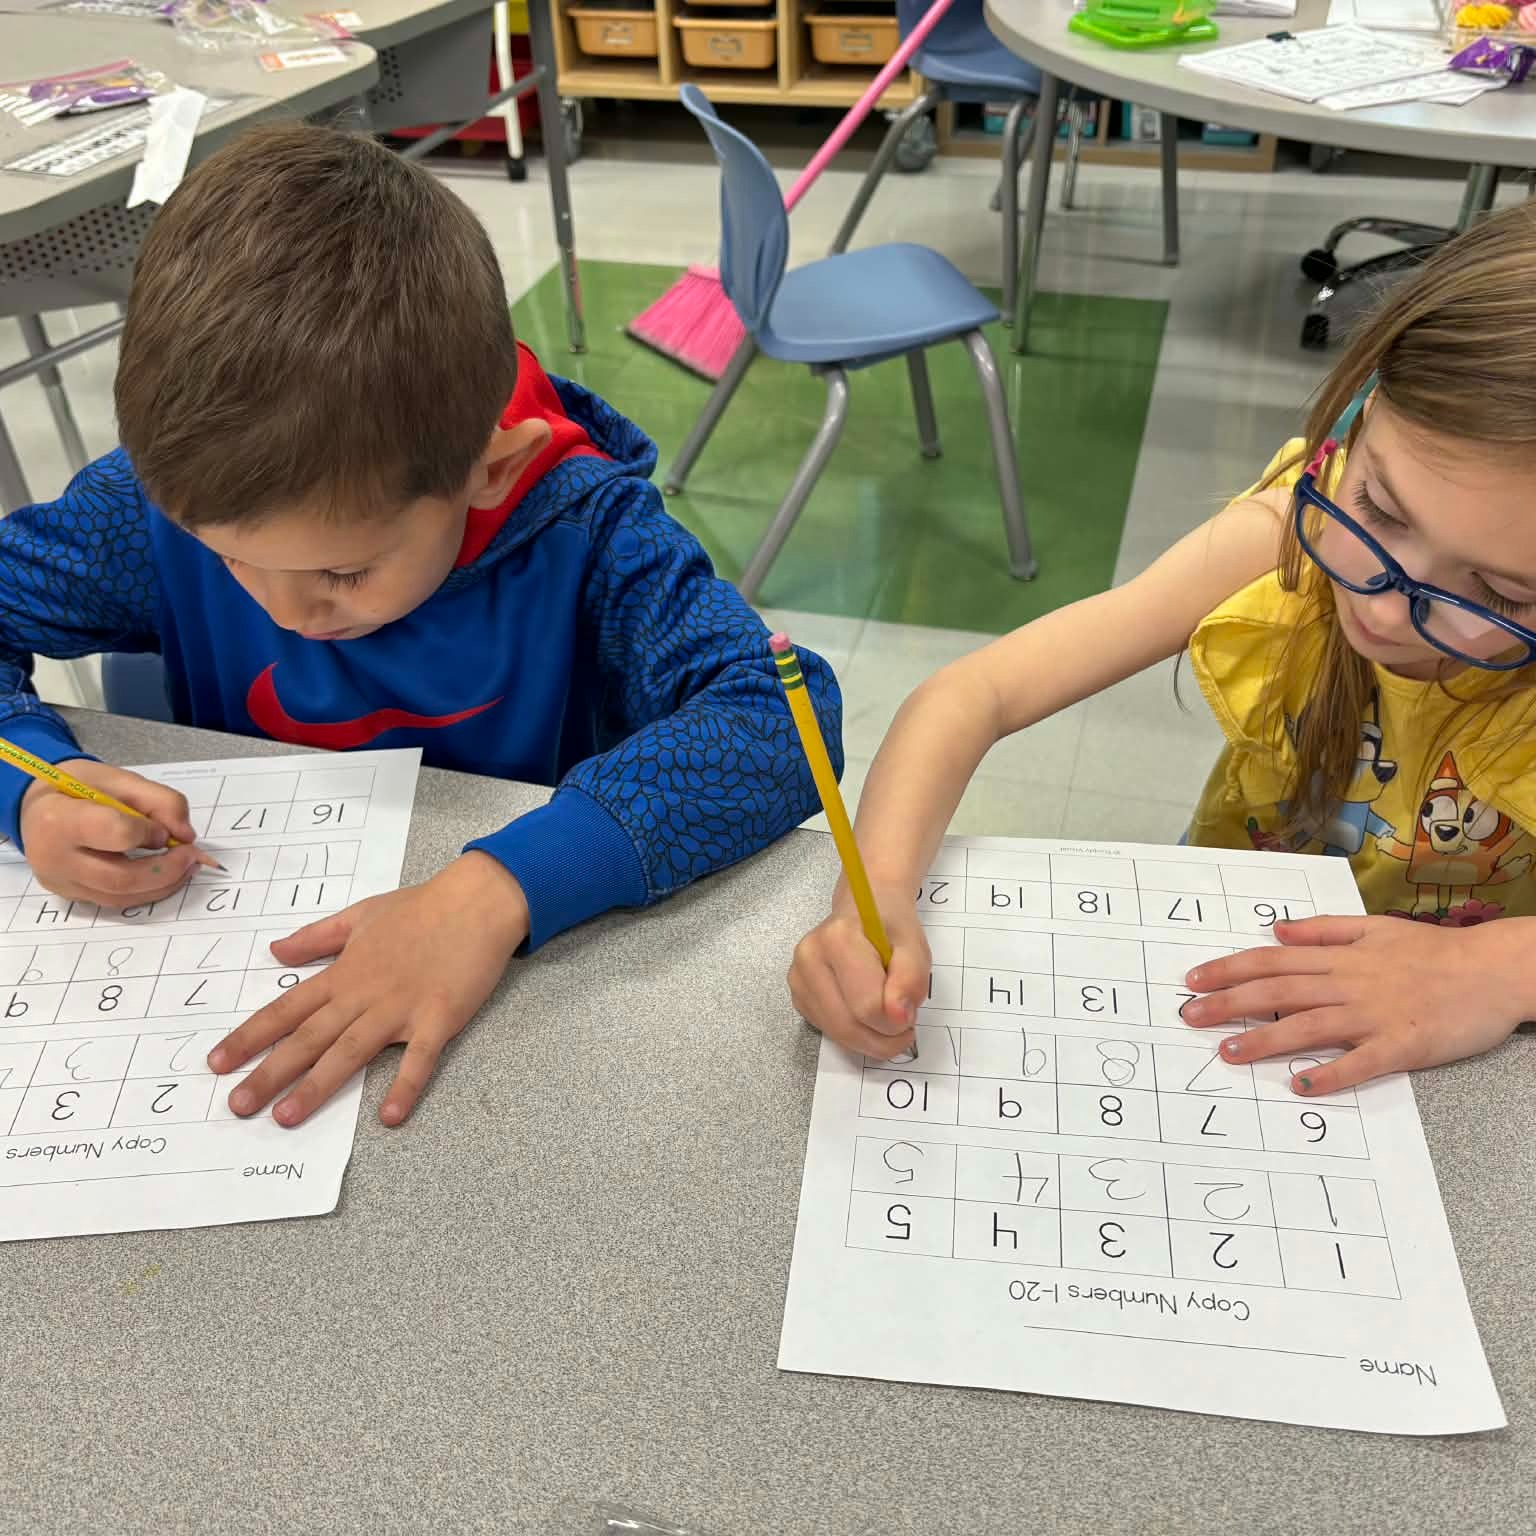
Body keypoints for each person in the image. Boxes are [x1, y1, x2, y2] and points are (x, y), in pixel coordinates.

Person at [0, 122, 840, 1128]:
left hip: (528, 990)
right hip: (249, 929)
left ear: (488, 470)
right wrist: (31, 793)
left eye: (342, 572)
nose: (284, 611)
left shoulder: (587, 534)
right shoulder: (152, 506)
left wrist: (493, 892)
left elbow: (785, 718)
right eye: (228, 559)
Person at [790, 201, 1536, 1096]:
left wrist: (1491, 970)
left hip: (1447, 1053)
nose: (1382, 601)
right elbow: (971, 695)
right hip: (1212, 969)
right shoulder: (1291, 528)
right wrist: (868, 902)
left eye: (1500, 594)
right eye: (1378, 507)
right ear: (1358, 421)